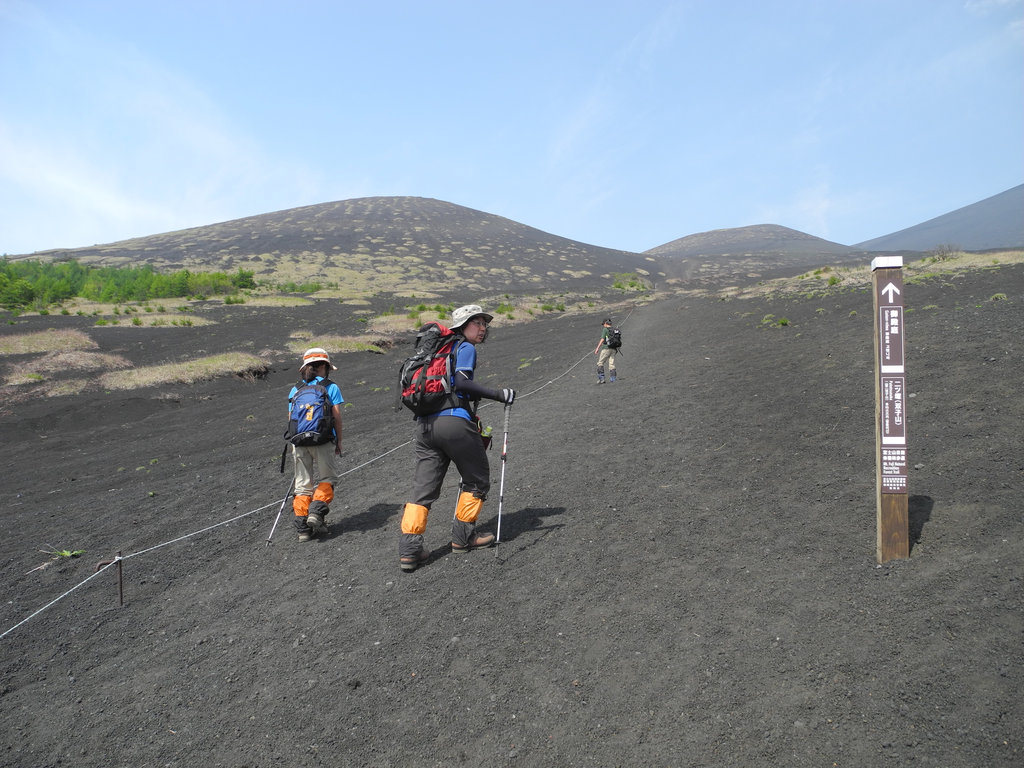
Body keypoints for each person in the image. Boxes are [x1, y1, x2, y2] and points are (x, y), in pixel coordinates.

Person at [398, 304, 516, 572]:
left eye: (485, 323)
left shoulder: (433, 353)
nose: (483, 328)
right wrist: (500, 394)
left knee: (422, 490)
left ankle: (409, 550)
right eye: (477, 323)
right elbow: (462, 383)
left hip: (425, 427)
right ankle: (463, 538)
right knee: (476, 478)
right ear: (462, 326)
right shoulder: (464, 348)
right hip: (454, 423)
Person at [288, 348, 344, 542]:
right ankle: (316, 512)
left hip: (299, 442)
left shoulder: (296, 389)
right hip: (323, 440)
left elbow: (291, 419)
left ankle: (303, 529)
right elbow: (337, 418)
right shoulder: (330, 387)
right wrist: (339, 441)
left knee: (302, 485)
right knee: (328, 478)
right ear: (323, 367)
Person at [594, 318, 618, 384]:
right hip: (614, 349)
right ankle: (613, 379)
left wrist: (597, 348)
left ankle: (601, 378)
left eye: (603, 324)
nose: (603, 325)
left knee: (600, 363)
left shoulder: (605, 329)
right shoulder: (615, 329)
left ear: (605, 323)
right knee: (612, 364)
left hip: (606, 348)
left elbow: (602, 339)